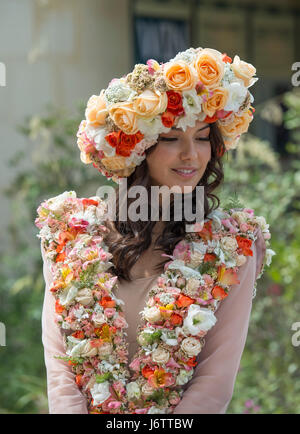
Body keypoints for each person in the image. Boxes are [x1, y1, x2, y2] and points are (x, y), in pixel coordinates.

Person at [35, 47, 274, 414]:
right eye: (171, 138)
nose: (191, 155)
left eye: (202, 136)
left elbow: (214, 385)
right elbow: (60, 369)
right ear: (138, 147)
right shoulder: (69, 232)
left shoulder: (233, 245)